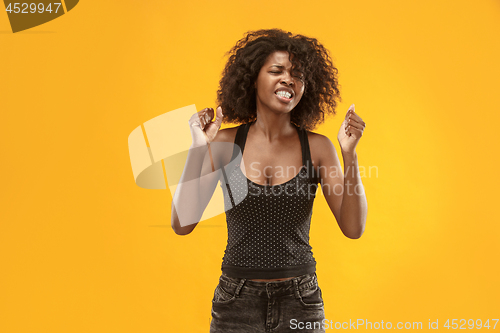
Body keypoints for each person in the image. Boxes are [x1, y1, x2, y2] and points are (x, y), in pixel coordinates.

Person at [171, 29, 367, 333]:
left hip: (300, 300)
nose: (288, 79)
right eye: (276, 70)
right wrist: (199, 147)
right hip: (235, 301)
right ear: (253, 79)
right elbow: (182, 223)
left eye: (297, 74)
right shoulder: (226, 143)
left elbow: (353, 228)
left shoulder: (318, 147)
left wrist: (349, 153)